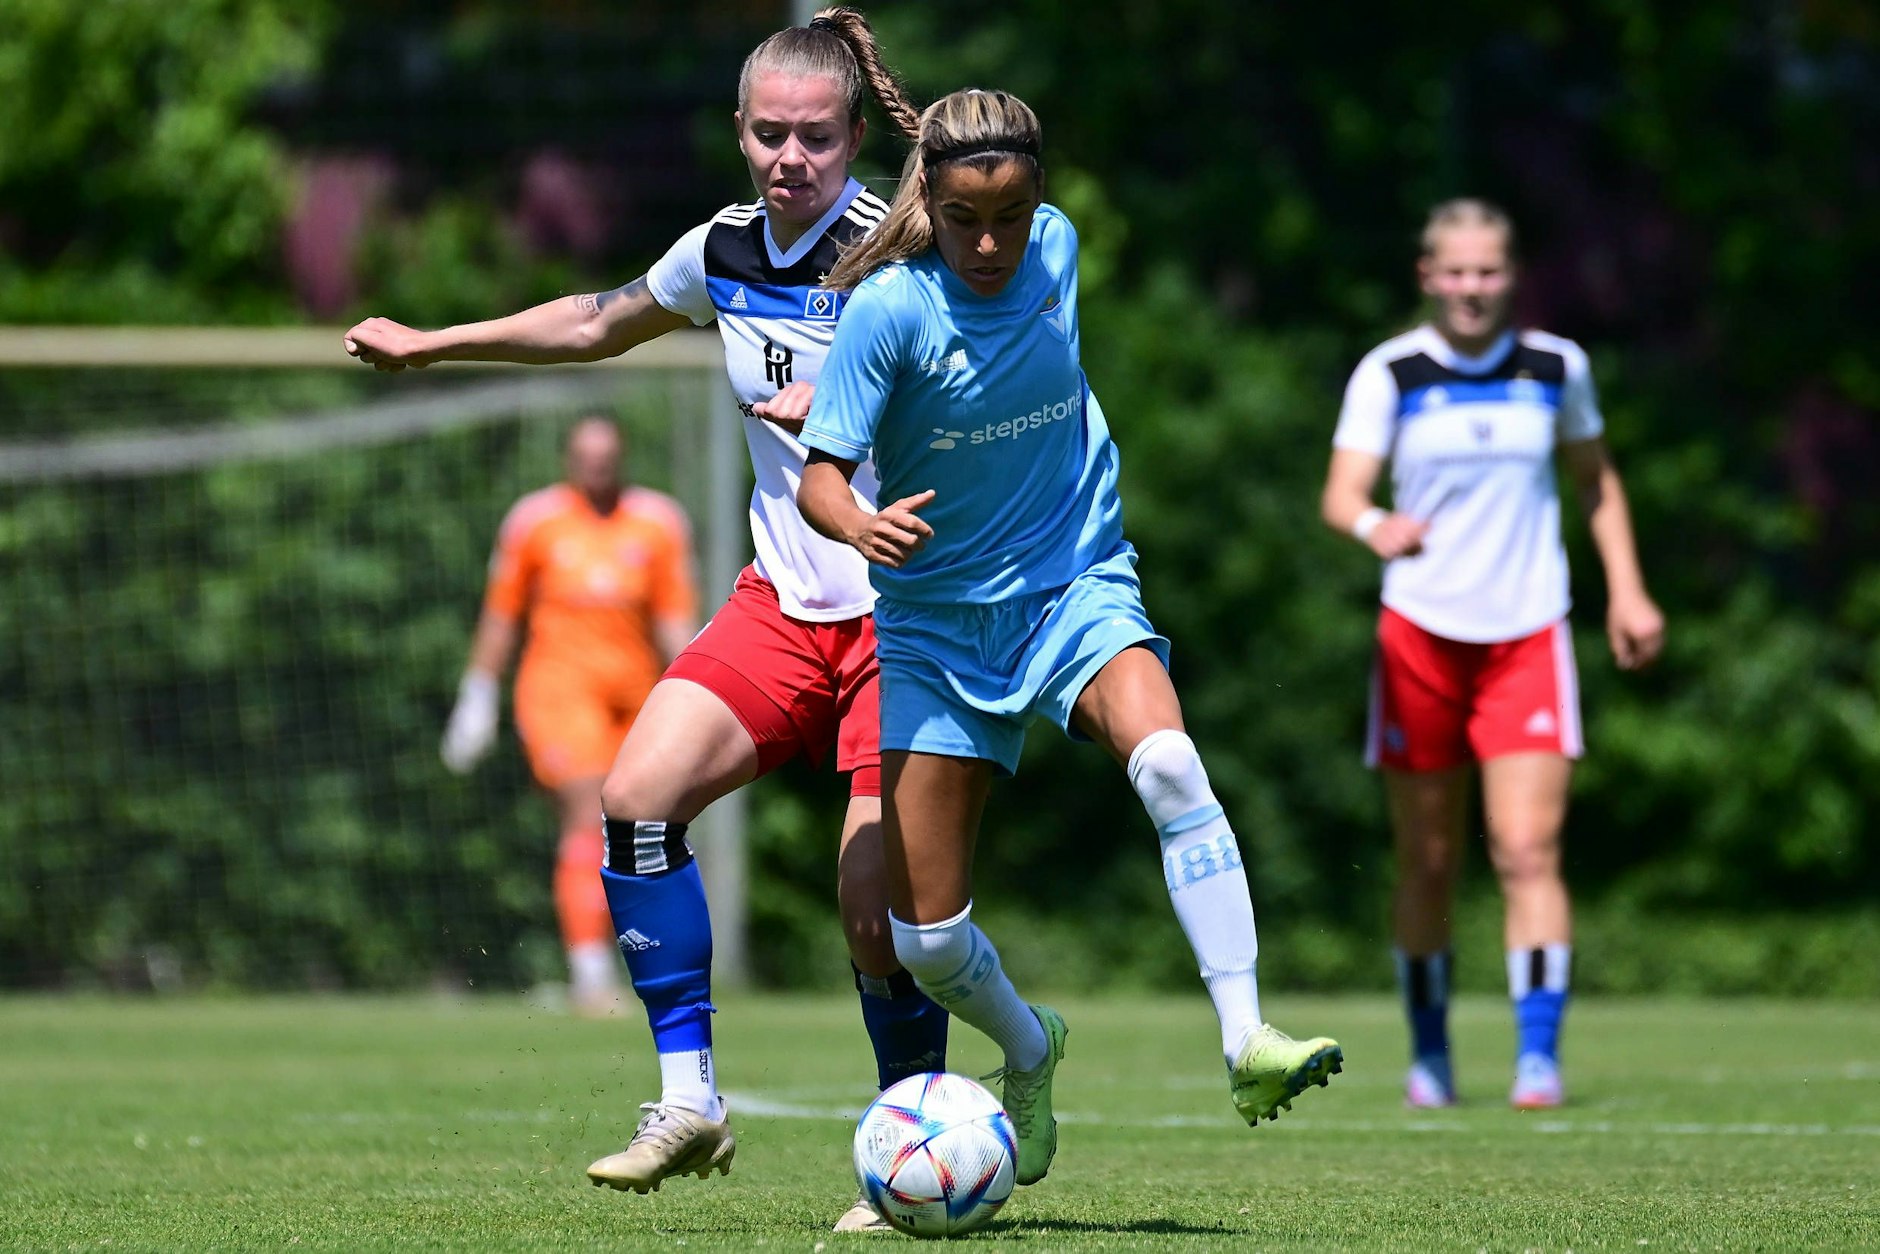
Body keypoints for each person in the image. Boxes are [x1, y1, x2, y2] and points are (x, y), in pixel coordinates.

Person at [344, 9, 945, 1229]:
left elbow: (987, 370)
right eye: (768, 134)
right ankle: (689, 1101)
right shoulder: (719, 250)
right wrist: (435, 343)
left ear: (852, 139)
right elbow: (593, 320)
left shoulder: (903, 252)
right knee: (634, 801)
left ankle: (911, 1143)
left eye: (815, 137)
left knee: (867, 901)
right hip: (784, 607)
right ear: (738, 132)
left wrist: (858, 392)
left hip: (907, 613)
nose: (789, 157)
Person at [796, 87, 1343, 1188]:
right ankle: (1030, 1047)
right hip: (936, 628)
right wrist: (858, 524)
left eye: (1009, 216)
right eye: (963, 220)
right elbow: (821, 480)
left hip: (1073, 588)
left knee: (1170, 762)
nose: (989, 244)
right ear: (928, 201)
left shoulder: (1058, 247)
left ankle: (1245, 1039)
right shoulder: (888, 312)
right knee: (924, 942)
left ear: (1039, 197)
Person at [1318, 198, 1665, 1110]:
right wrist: (1375, 524)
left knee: (1526, 848)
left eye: (1488, 270)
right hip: (1420, 638)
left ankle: (1537, 1058)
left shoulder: (1556, 367)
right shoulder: (1391, 372)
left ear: (1511, 276)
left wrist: (1628, 590)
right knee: (1429, 862)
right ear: (1428, 276)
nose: (1472, 287)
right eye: (1456, 271)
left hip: (1528, 633)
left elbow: (1596, 481)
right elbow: (1341, 493)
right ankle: (1431, 1055)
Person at [440, 416, 697, 1017]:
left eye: (606, 456)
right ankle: (590, 975)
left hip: (635, 697)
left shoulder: (658, 522)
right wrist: (478, 692)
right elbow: (502, 613)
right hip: (558, 693)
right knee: (588, 814)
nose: (596, 466)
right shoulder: (535, 521)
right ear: (569, 459)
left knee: (642, 826)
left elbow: (674, 620)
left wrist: (699, 691)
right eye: (586, 455)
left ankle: (647, 962)